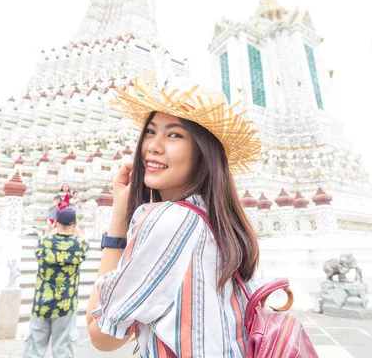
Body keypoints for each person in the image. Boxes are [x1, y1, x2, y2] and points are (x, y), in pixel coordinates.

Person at [86, 77, 261, 357]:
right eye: (151, 132)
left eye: (174, 134)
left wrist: (117, 223)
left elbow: (101, 335)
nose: (153, 146)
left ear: (203, 153)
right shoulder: (216, 221)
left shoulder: (171, 220)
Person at [24, 208, 89, 358]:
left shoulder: (44, 243)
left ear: (56, 223)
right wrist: (76, 230)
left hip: (41, 303)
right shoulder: (79, 246)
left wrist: (53, 230)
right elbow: (85, 241)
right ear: (74, 224)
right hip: (65, 304)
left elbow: (46, 238)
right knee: (63, 349)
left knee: (34, 348)